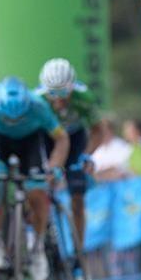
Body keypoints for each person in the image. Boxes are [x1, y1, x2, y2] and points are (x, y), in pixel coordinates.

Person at [0, 76, 69, 280]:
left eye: (18, 118)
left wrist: (55, 166)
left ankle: (38, 247)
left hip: (30, 142)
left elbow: (61, 138)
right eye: (8, 118)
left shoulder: (38, 106)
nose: (13, 122)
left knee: (38, 191)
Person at [36, 58, 99, 254]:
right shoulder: (37, 100)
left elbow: (98, 130)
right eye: (52, 94)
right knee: (37, 189)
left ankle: (79, 253)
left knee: (77, 199)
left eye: (63, 93)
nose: (58, 100)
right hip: (46, 140)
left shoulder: (84, 98)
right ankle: (40, 239)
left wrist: (86, 155)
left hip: (74, 139)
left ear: (72, 88)